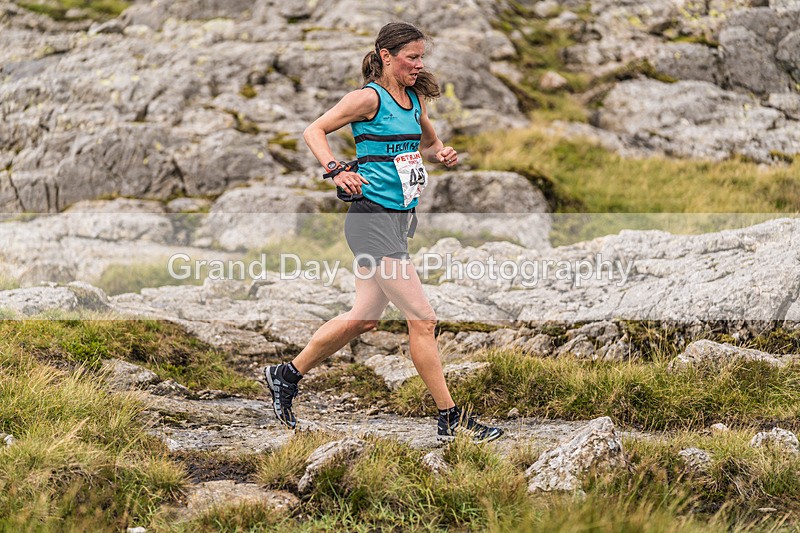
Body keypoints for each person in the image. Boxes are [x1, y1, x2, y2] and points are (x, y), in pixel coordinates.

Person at [264, 22, 503, 443]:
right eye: (412, 57)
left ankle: (285, 375)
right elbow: (313, 130)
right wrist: (336, 170)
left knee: (363, 319)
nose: (419, 64)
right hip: (370, 219)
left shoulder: (413, 101)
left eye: (422, 56)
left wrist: (441, 153)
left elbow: (427, 146)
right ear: (387, 55)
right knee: (424, 320)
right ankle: (450, 419)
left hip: (395, 221)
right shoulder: (367, 98)